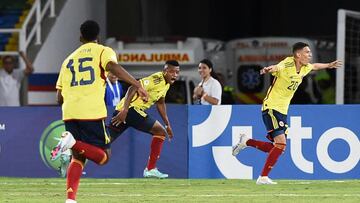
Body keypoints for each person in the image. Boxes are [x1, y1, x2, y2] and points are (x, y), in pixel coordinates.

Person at [50, 20, 148, 203]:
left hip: (70, 112)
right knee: (104, 157)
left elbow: (59, 98)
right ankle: (71, 142)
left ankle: (70, 199)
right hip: (91, 111)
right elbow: (112, 67)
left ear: (80, 37)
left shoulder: (67, 60)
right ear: (98, 37)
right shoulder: (103, 51)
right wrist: (137, 84)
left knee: (77, 158)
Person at [232, 42, 341, 185]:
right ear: (298, 55)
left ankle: (246, 141)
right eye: (307, 52)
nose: (310, 55)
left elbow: (314, 66)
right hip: (271, 107)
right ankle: (263, 177)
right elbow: (278, 67)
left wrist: (328, 65)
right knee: (281, 144)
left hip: (282, 111)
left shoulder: (305, 68)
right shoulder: (288, 63)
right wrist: (269, 69)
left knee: (278, 148)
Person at [108, 60, 180, 179]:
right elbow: (133, 87)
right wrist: (125, 110)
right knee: (160, 132)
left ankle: (73, 148)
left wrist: (167, 124)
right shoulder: (157, 79)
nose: (175, 75)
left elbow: (160, 103)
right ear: (165, 71)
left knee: (104, 142)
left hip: (125, 112)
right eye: (172, 72)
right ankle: (150, 169)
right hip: (130, 110)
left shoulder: (166, 85)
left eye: (177, 72)